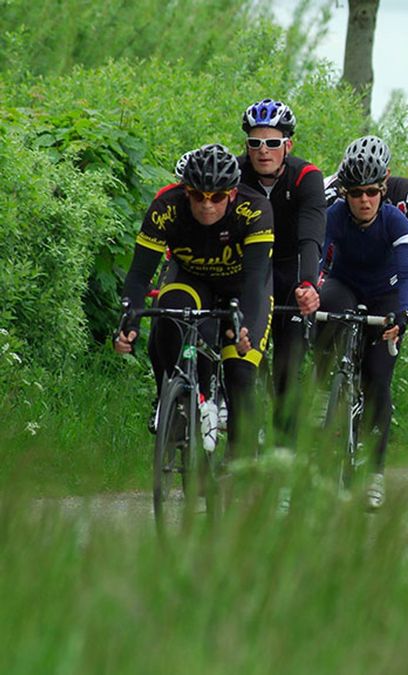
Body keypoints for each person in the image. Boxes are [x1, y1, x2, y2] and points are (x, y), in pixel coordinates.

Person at [114, 144, 274, 458]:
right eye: (198, 195)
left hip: (240, 287)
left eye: (216, 197)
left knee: (241, 373)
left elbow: (257, 282)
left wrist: (247, 331)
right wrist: (128, 319)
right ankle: (178, 401)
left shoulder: (254, 209)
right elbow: (139, 275)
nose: (206, 205)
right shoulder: (167, 206)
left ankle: (239, 466)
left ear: (231, 194)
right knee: (169, 312)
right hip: (191, 279)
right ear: (186, 192)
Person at [317, 137, 408, 509]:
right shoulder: (333, 216)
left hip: (385, 295)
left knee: (378, 377)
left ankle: (374, 474)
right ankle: (322, 388)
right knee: (325, 304)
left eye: (372, 192)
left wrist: (403, 314)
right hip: (344, 286)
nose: (364, 200)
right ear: (344, 193)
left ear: (382, 190)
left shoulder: (396, 221)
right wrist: (308, 289)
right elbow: (315, 258)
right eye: (356, 193)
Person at [236, 98, 325, 446]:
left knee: (287, 368)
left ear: (288, 145)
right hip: (248, 270)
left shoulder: (306, 177)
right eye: (255, 143)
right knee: (241, 356)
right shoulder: (236, 174)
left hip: (288, 270)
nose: (263, 151)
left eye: (272, 142)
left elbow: (311, 237)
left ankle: (282, 451)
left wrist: (307, 283)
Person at [324, 137, 408, 280]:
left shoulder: (405, 191)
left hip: (387, 269)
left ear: (386, 174)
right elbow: (314, 239)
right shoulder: (332, 189)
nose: (363, 178)